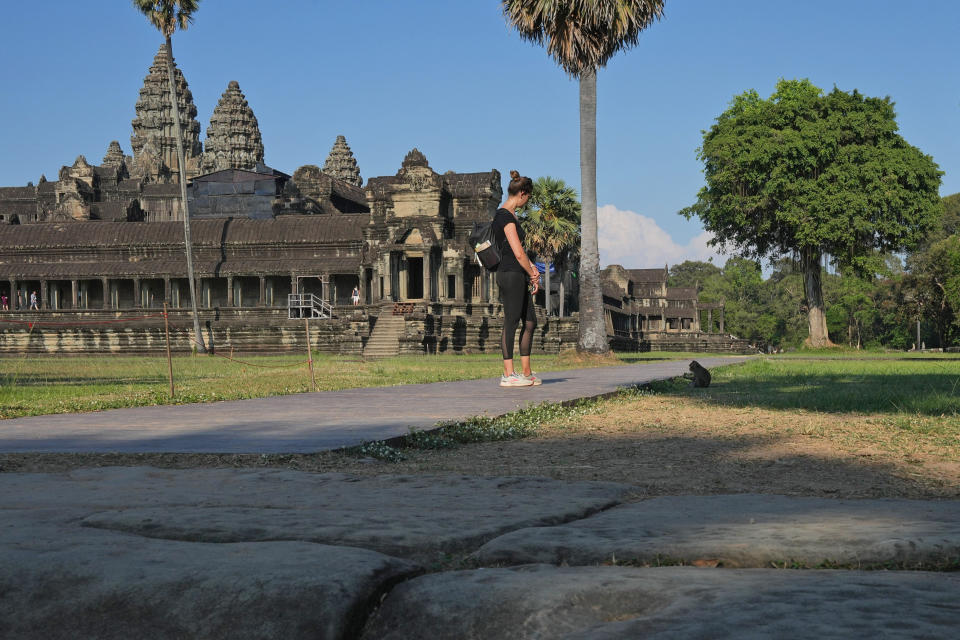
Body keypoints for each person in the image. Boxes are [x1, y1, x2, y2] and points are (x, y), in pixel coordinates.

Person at [494, 170, 541, 387]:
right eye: (528, 198)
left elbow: (522, 254)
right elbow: (517, 252)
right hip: (510, 274)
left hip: (519, 273)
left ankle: (526, 373)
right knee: (511, 321)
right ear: (522, 194)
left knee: (530, 321)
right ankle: (508, 374)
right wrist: (531, 271)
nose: (527, 202)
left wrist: (533, 269)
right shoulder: (504, 215)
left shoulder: (512, 216)